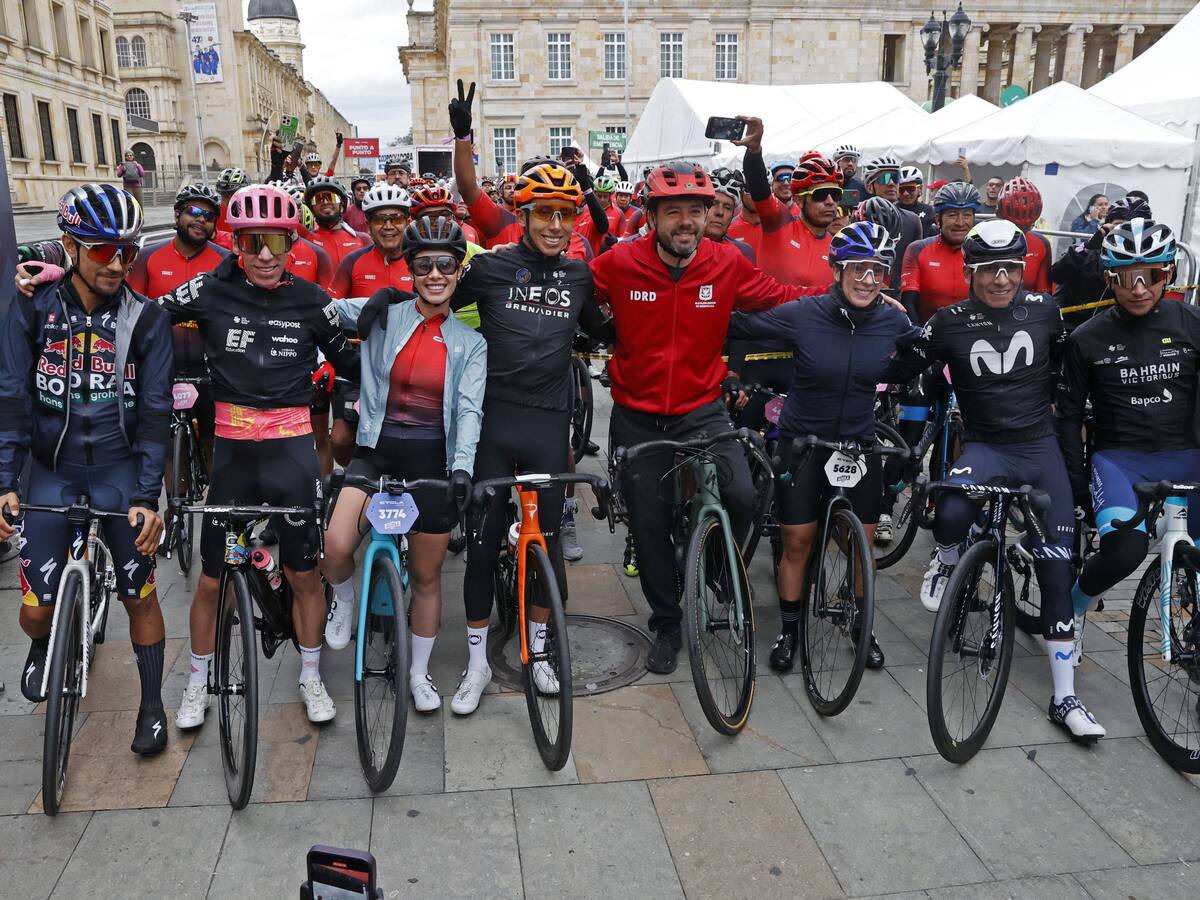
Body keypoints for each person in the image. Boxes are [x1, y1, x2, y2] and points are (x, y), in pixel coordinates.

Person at [148, 185, 360, 728]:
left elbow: (355, 362)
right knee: (212, 580)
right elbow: (143, 314)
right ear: (236, 242)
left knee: (306, 575)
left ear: (293, 241)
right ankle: (197, 682)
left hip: (291, 452)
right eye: (251, 242)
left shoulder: (311, 299)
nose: (265, 255)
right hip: (234, 456)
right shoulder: (212, 290)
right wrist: (52, 276)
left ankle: (310, 674)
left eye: (276, 241)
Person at [886, 219, 1105, 742]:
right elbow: (902, 367)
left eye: (1010, 269)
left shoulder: (1046, 310)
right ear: (970, 272)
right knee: (951, 515)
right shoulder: (949, 320)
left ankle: (1065, 697)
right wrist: (895, 341)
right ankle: (944, 562)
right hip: (984, 446)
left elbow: (1070, 363)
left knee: (1057, 574)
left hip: (1039, 448)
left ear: (1023, 269)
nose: (1001, 280)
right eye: (989, 271)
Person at [590, 152, 802, 674]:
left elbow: (779, 296)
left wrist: (847, 298)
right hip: (637, 415)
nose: (686, 221)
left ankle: (712, 563)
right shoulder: (619, 262)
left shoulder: (725, 261)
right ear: (652, 215)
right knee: (651, 524)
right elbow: (571, 292)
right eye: (674, 211)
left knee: (743, 492)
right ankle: (666, 623)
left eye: (696, 210)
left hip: (702, 410)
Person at [0, 184, 173, 754]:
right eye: (102, 250)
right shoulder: (32, 306)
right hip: (52, 470)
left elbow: (154, 415)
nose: (119, 263)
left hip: (121, 474)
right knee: (33, 612)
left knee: (139, 597)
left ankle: (151, 707)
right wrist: (4, 481)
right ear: (70, 246)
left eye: (129, 250)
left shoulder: (146, 319)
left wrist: (149, 496)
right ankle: (41, 643)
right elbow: (11, 398)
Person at [729, 222, 915, 671]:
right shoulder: (805, 312)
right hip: (803, 442)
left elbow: (925, 351)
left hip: (858, 442)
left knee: (861, 546)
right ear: (836, 269)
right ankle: (789, 630)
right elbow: (738, 323)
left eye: (877, 270)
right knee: (798, 543)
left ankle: (860, 625)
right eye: (858, 268)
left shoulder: (893, 320)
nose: (868, 279)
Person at [322, 217, 486, 710]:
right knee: (335, 542)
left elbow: (468, 409)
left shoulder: (470, 342)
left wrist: (462, 468)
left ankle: (418, 674)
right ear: (410, 270)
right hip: (378, 452)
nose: (435, 274)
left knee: (428, 576)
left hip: (433, 462)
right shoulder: (386, 315)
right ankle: (346, 600)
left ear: (459, 272)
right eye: (423, 265)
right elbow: (319, 310)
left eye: (446, 265)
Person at [1056, 220, 1198, 662]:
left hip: (1187, 455)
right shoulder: (1086, 338)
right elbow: (1069, 418)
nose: (1138, 289)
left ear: (1168, 273)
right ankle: (1074, 611)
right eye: (1125, 278)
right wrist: (1077, 487)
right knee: (1124, 551)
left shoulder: (1193, 324)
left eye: (1150, 275)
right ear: (1108, 279)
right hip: (1121, 460)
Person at [126, 183, 229, 486]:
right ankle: (176, 515)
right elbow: (131, 311)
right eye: (193, 212)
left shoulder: (225, 261)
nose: (200, 220)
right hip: (162, 368)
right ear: (177, 214)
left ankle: (216, 518)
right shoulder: (148, 257)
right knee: (169, 448)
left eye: (209, 216)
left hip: (211, 369)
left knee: (215, 446)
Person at [1052, 195, 1152, 331]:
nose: (1127, 234)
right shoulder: (1087, 253)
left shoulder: (1152, 261)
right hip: (1077, 329)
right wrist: (1087, 247)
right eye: (1120, 226)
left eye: (1133, 229)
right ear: (1108, 226)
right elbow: (1056, 276)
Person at [750, 145, 842, 290]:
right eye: (820, 195)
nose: (830, 202)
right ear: (799, 200)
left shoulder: (837, 247)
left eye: (836, 195)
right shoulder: (779, 225)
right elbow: (759, 187)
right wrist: (753, 151)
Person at [899, 181, 980, 324]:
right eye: (952, 215)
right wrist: (921, 338)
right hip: (928, 335)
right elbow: (908, 303)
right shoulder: (917, 249)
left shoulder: (983, 251)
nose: (960, 223)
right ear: (938, 219)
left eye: (967, 215)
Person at [862, 157, 924, 272]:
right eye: (884, 178)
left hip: (899, 288)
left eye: (895, 178)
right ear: (870, 187)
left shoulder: (913, 220)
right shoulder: (858, 216)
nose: (891, 183)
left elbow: (915, 264)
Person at [996, 177, 1053, 293]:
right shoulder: (979, 241)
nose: (1018, 236)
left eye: (1025, 228)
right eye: (1013, 228)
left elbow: (1043, 293)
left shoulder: (1041, 244)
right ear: (998, 215)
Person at [897, 166, 935, 237]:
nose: (906, 193)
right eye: (901, 189)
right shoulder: (892, 211)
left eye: (910, 188)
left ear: (920, 189)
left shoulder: (930, 211)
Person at [833, 144, 868, 209]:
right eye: (846, 160)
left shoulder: (863, 186)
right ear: (837, 163)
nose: (850, 163)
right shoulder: (829, 184)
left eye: (854, 160)